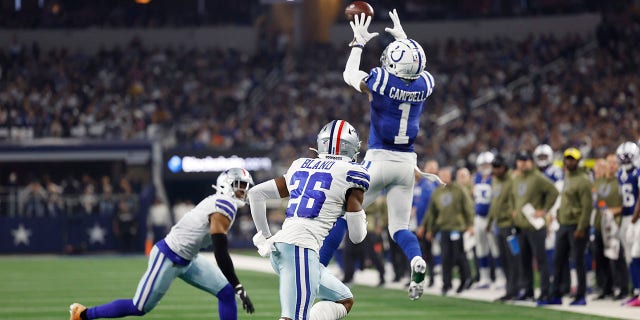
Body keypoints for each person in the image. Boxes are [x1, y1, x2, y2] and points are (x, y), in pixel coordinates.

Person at [337, 9, 435, 300]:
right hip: (407, 164)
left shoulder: (381, 81)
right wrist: (405, 39)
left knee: (343, 215)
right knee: (400, 228)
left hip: (379, 159)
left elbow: (349, 74)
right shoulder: (425, 84)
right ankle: (415, 259)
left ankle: (316, 267)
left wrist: (357, 43)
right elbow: (413, 69)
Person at [69, 168, 256, 320]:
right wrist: (239, 286)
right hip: (169, 256)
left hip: (189, 259)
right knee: (139, 307)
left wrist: (235, 287)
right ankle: (83, 314)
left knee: (225, 292)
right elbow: (220, 252)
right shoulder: (225, 204)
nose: (244, 192)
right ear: (226, 185)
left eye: (246, 187)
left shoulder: (222, 203)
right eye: (240, 186)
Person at [248, 120, 369, 320]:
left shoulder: (301, 165)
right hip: (300, 250)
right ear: (350, 147)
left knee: (344, 299)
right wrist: (360, 212)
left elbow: (255, 193)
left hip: (283, 248)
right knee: (293, 317)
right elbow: (356, 237)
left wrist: (266, 236)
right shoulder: (352, 173)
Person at [540, 148, 593, 306]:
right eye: (567, 159)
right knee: (558, 260)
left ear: (578, 161)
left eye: (573, 159)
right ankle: (556, 294)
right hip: (563, 224)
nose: (570, 162)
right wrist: (558, 213)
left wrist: (581, 227)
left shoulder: (583, 180)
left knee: (578, 260)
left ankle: (580, 295)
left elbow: (587, 207)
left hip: (576, 225)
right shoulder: (567, 176)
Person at [510, 150, 559, 302]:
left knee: (541, 260)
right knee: (524, 261)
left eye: (526, 160)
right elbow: (513, 197)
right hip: (522, 225)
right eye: (520, 160)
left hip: (535, 226)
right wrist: (514, 210)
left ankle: (544, 291)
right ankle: (528, 290)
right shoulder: (517, 179)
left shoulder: (538, 177)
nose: (523, 163)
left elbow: (554, 191)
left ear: (531, 162)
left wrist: (544, 210)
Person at [420, 167, 474, 295]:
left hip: (457, 228)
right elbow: (431, 213)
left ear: (451, 176)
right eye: (441, 175)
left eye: (446, 175)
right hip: (443, 228)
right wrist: (428, 229)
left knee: (459, 256)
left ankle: (464, 280)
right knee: (445, 257)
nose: (444, 177)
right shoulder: (437, 192)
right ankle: (446, 284)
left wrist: (470, 224)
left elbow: (468, 206)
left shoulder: (458, 189)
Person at [485, 154, 517, 301]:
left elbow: (515, 200)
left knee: (513, 259)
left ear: (504, 167)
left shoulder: (512, 179)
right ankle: (509, 289)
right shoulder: (495, 181)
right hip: (499, 224)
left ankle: (515, 289)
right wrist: (489, 222)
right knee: (503, 258)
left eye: (498, 167)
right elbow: (494, 203)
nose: (496, 170)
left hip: (509, 224)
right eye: (494, 167)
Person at [591, 158, 621, 300]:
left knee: (615, 257)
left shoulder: (619, 181)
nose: (609, 166)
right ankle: (604, 287)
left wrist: (613, 211)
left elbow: (625, 205)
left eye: (612, 163)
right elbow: (596, 201)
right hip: (599, 224)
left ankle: (620, 287)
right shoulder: (598, 182)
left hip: (613, 225)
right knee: (600, 257)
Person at [473, 151, 503, 288]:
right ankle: (484, 278)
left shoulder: (495, 178)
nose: (485, 166)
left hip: (491, 218)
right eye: (483, 164)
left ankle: (500, 277)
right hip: (478, 217)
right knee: (481, 248)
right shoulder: (477, 178)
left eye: (487, 164)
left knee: (495, 248)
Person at [414, 160, 440, 287]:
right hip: (418, 224)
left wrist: (426, 226)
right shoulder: (418, 185)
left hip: (428, 225)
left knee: (427, 253)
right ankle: (424, 278)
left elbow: (429, 209)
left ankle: (433, 278)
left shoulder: (430, 185)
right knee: (421, 253)